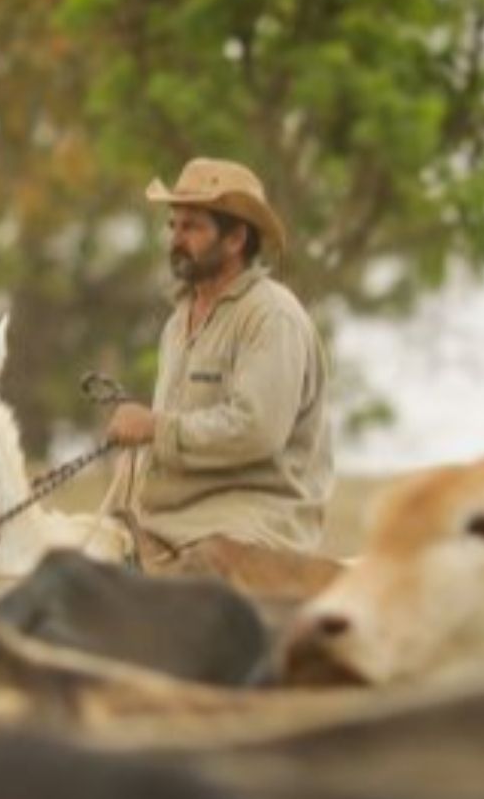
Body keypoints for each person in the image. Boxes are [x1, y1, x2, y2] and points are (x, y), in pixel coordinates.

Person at [101, 157, 335, 578]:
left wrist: (155, 427)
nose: (176, 239)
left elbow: (257, 431)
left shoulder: (271, 315)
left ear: (235, 239)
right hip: (176, 517)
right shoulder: (177, 322)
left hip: (254, 518)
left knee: (196, 579)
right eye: (173, 226)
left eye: (191, 227)